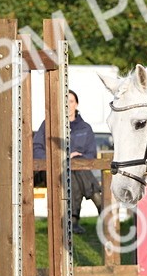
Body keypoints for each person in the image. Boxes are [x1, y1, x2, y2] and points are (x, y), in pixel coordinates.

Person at [32, 90, 101, 234]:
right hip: (51, 171)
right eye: (65, 101)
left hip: (77, 170)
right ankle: (96, 201)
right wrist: (60, 158)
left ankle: (73, 221)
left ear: (76, 104)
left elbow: (91, 154)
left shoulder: (85, 128)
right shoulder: (48, 124)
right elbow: (37, 148)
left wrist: (74, 159)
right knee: (72, 170)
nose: (68, 105)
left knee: (74, 170)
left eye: (71, 101)